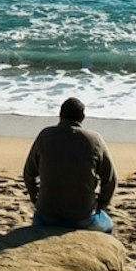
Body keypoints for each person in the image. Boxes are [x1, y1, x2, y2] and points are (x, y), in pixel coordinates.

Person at [22, 97, 116, 233]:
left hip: (47, 215)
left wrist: (35, 198)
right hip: (82, 216)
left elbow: (29, 173)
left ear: (60, 115)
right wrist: (101, 204)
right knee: (108, 225)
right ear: (82, 117)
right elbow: (110, 179)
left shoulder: (46, 136)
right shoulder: (94, 140)